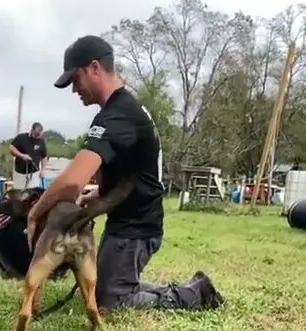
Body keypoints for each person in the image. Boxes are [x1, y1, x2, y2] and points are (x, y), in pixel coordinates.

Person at [25, 35, 222, 311]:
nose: (74, 89)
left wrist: (35, 213)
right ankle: (190, 288)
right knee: (110, 286)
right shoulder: (122, 110)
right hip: (129, 221)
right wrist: (99, 192)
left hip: (136, 228)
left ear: (94, 68)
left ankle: (196, 294)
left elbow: (71, 183)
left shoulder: (119, 114)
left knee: (110, 299)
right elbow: (135, 169)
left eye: (75, 79)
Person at [9, 122, 47, 189]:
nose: (37, 137)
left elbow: (44, 157)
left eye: (39, 135)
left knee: (32, 194)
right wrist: (21, 155)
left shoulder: (41, 142)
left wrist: (43, 170)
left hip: (34, 172)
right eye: (36, 135)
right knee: (19, 193)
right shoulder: (21, 138)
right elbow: (11, 148)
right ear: (31, 131)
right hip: (20, 172)